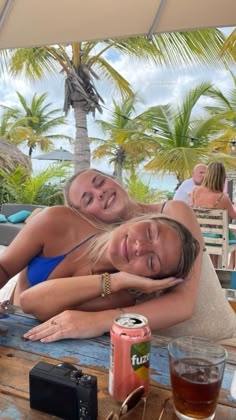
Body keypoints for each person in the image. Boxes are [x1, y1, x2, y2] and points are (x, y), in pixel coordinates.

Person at [21, 169, 236, 343]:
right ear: (84, 217)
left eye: (100, 182)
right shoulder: (117, 254)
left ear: (114, 180)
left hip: (221, 341)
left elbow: (183, 304)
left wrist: (98, 321)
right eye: (88, 199)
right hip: (153, 349)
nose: (100, 193)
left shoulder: (172, 212)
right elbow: (38, 302)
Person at [190, 161, 236, 268]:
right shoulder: (222, 198)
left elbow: (192, 209)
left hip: (199, 235)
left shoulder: (195, 191)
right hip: (217, 238)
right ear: (222, 178)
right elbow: (234, 216)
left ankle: (215, 268)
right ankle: (230, 269)